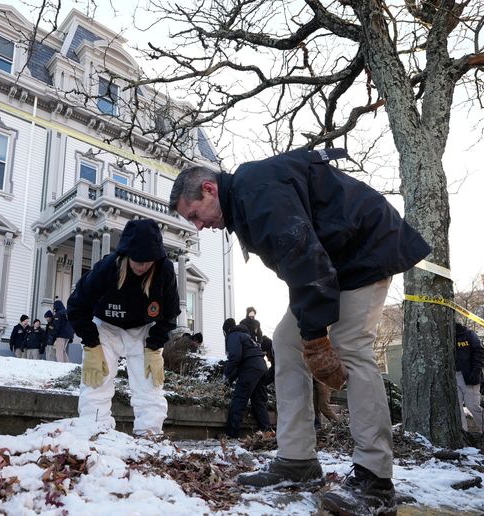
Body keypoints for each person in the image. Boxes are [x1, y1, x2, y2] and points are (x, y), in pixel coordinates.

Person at [170, 147, 430, 514]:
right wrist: (310, 334)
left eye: (195, 215)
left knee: (350, 346)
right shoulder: (245, 201)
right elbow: (301, 265)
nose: (198, 226)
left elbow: (304, 257)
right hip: (330, 264)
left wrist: (316, 337)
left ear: (209, 190)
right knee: (285, 341)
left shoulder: (256, 193)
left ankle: (375, 479)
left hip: (364, 250)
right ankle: (298, 460)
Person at [67, 218, 180, 435]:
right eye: (137, 259)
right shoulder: (108, 267)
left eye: (147, 261)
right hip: (105, 328)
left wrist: (154, 346)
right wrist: (91, 345)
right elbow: (76, 306)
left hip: (142, 331)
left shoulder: (164, 271)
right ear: (126, 253)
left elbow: (170, 314)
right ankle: (95, 432)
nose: (142, 266)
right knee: (97, 380)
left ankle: (150, 435)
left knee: (149, 384)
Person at [222, 319, 272, 437]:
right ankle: (267, 431)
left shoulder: (233, 335)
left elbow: (235, 357)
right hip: (261, 366)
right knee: (258, 400)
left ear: (226, 330)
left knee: (239, 399)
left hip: (250, 368)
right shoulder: (246, 336)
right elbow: (241, 362)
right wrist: (230, 380)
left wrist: (226, 374)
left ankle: (231, 433)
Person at [455, 322, 484, 441]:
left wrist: (476, 371)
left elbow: (479, 351)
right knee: (456, 406)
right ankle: (463, 433)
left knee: (472, 405)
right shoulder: (446, 336)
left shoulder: (468, 334)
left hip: (469, 375)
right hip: (453, 375)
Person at [51, 298, 74, 362]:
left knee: (59, 351)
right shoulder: (68, 313)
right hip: (69, 335)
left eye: (54, 306)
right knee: (63, 350)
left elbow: (56, 326)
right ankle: (66, 364)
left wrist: (53, 335)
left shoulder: (58, 314)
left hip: (61, 335)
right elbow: (73, 324)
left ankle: (60, 365)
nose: (54, 308)